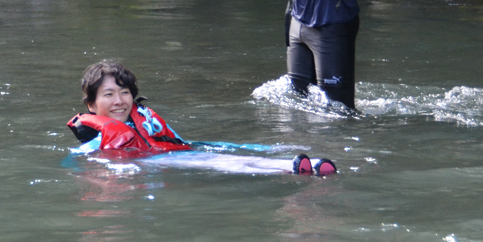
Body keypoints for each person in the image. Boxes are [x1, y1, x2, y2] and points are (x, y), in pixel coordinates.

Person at [67, 60, 336, 176]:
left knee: (225, 157)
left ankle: (301, 165)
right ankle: (290, 168)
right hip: (163, 164)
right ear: (91, 105)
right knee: (224, 164)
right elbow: (80, 159)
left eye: (124, 93)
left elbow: (183, 142)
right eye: (108, 95)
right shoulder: (96, 142)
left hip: (178, 154)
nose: (118, 101)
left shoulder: (145, 121)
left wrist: (257, 147)